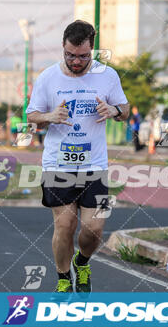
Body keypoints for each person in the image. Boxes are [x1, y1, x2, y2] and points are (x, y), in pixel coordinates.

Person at [26, 20, 129, 293]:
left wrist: (114, 111)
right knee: (66, 224)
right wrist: (49, 116)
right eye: (70, 55)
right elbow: (32, 115)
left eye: (83, 56)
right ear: (63, 47)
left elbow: (125, 108)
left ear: (92, 49)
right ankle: (63, 278)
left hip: (95, 165)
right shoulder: (48, 77)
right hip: (57, 164)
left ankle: (81, 262)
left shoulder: (107, 76)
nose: (76, 61)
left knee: (95, 229)